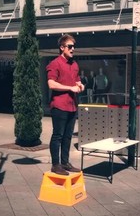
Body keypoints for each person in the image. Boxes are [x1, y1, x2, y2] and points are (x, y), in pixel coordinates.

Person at [46, 34, 84, 175]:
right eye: (70, 46)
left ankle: (65, 163)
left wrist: (80, 85)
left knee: (68, 136)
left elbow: (77, 80)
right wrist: (70, 88)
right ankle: (56, 165)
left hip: (72, 106)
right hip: (59, 106)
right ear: (62, 48)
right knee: (58, 135)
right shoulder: (55, 63)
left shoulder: (74, 64)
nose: (72, 49)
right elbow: (51, 84)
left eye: (73, 46)